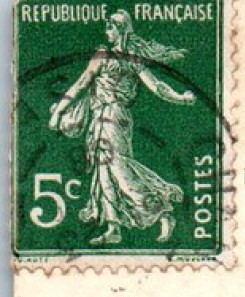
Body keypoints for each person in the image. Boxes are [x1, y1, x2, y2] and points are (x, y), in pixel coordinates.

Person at [46, 10, 195, 246]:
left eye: (111, 26)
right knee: (104, 172)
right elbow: (82, 84)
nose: (107, 30)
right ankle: (113, 227)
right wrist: (59, 111)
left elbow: (156, 86)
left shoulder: (127, 58)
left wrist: (180, 98)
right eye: (107, 26)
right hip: (100, 118)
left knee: (119, 168)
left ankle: (161, 209)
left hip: (115, 118)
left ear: (121, 30)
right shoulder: (107, 55)